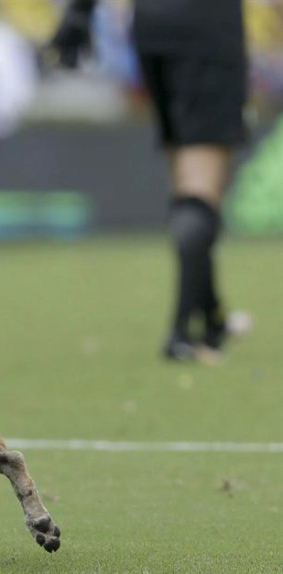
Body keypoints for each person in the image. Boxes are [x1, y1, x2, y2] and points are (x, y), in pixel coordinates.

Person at [50, 0, 247, 362]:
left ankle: (211, 315)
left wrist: (80, 11)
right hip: (210, 24)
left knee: (184, 169)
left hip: (152, 25)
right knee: (201, 177)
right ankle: (182, 334)